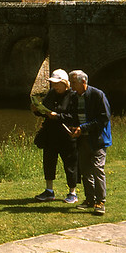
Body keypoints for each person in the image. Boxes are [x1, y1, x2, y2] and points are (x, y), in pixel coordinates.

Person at [31, 69, 79, 203]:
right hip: (50, 134)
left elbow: (74, 116)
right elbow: (45, 111)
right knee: (49, 162)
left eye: (58, 83)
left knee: (70, 164)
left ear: (65, 83)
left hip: (67, 135)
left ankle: (72, 193)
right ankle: (49, 191)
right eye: (53, 83)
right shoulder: (51, 94)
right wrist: (37, 110)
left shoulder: (73, 96)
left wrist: (57, 116)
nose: (55, 86)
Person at [69, 70, 112, 216]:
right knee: (85, 170)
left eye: (73, 82)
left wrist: (83, 128)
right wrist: (74, 128)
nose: (71, 85)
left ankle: (100, 202)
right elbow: (74, 116)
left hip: (98, 139)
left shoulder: (98, 95)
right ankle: (89, 199)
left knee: (97, 170)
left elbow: (104, 118)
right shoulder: (74, 97)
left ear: (83, 82)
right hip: (83, 139)